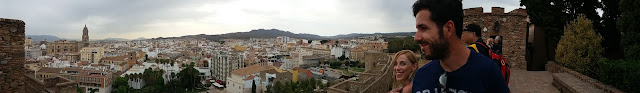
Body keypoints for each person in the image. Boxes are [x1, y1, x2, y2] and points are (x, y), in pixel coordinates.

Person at [410, 0, 510, 92]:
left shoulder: (488, 72)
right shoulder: (421, 76)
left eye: (423, 28)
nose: (416, 38)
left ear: (448, 29)